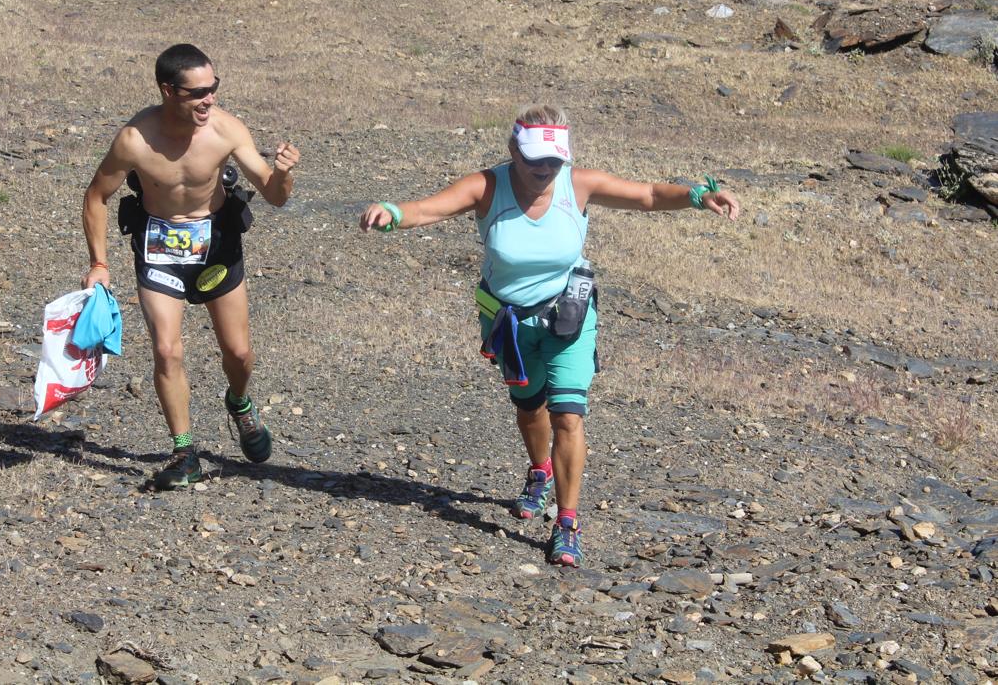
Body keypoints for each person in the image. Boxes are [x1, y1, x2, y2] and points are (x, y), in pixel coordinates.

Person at [359, 105, 739, 566]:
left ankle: (567, 523)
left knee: (568, 417)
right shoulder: (487, 187)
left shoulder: (577, 185)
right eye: (534, 159)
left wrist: (697, 195)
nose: (544, 170)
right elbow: (428, 209)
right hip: (509, 323)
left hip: (569, 317)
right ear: (512, 150)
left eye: (553, 161)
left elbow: (648, 196)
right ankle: (538, 471)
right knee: (529, 407)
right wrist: (393, 212)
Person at [82, 44, 300, 490]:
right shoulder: (134, 139)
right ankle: (185, 454)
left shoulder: (226, 129)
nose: (210, 99)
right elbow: (95, 197)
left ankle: (239, 402)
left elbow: (276, 196)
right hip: (159, 248)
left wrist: (282, 173)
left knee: (238, 353)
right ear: (168, 91)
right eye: (198, 92)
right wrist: (99, 263)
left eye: (214, 88)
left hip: (217, 243)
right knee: (167, 350)